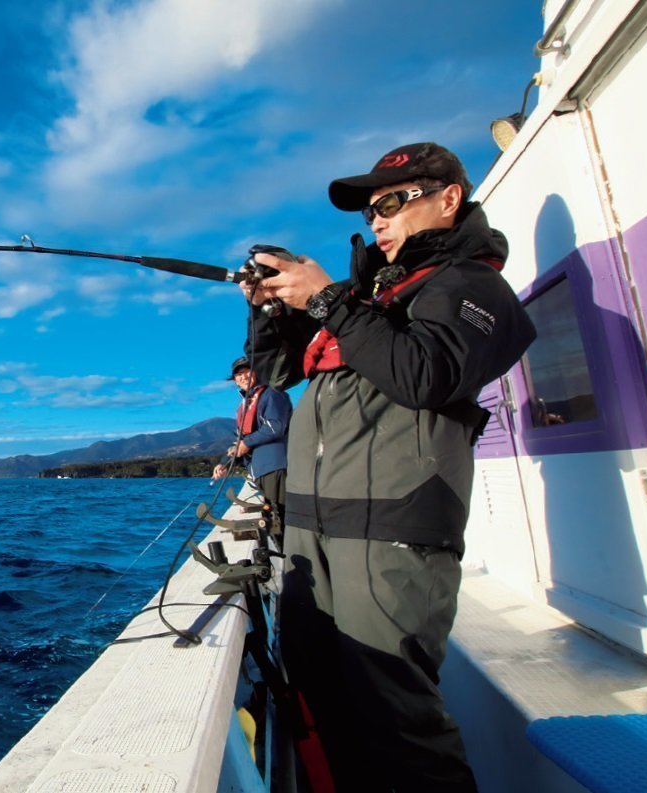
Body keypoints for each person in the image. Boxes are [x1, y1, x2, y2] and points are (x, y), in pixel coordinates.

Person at [242, 142, 536, 792]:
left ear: (448, 198)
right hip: (313, 538)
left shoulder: (471, 287)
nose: (376, 218)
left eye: (391, 202)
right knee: (324, 704)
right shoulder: (373, 298)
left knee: (398, 728)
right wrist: (268, 309)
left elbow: (423, 373)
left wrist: (327, 300)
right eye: (370, 208)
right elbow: (278, 372)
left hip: (390, 539)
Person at [212, 356, 293, 532]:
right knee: (272, 517)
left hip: (275, 467)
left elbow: (275, 426)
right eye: (238, 374)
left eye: (247, 371)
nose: (243, 376)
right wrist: (225, 463)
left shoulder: (271, 394)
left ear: (257, 372)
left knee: (280, 520)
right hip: (260, 471)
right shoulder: (244, 407)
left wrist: (246, 443)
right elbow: (239, 443)